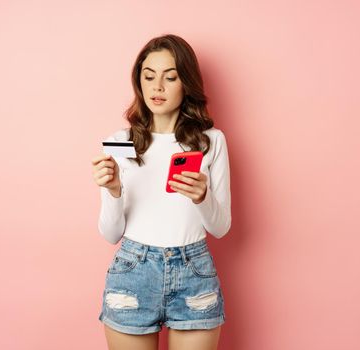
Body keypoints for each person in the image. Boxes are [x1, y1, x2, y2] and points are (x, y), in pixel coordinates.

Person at [91, 34, 231, 350]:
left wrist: (202, 197)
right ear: (138, 81)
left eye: (171, 77)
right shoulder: (119, 142)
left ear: (187, 83)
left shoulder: (210, 141)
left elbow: (220, 228)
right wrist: (113, 191)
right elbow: (111, 234)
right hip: (133, 270)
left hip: (194, 271)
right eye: (149, 76)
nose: (158, 87)